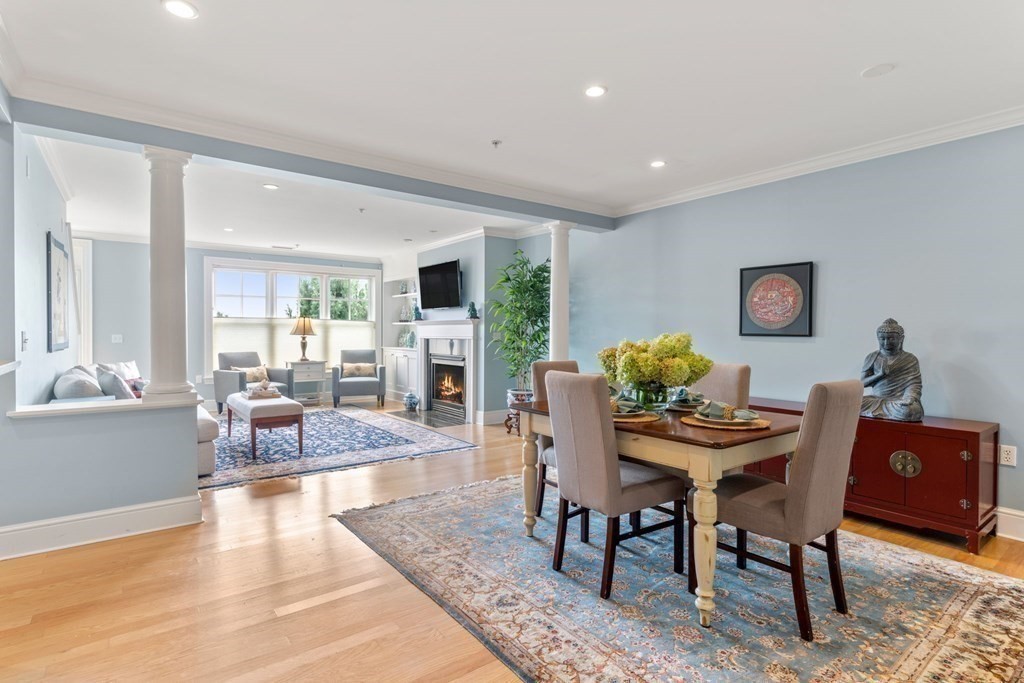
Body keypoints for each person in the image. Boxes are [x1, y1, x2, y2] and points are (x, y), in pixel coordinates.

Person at [860, 318, 924, 422]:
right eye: (882, 338)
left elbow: (914, 383)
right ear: (878, 338)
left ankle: (898, 409)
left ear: (901, 339)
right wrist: (879, 375)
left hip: (899, 401)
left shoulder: (910, 359)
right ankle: (884, 411)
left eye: (891, 338)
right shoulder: (872, 357)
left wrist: (909, 398)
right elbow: (861, 383)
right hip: (877, 400)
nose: (886, 342)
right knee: (855, 404)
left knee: (909, 411)